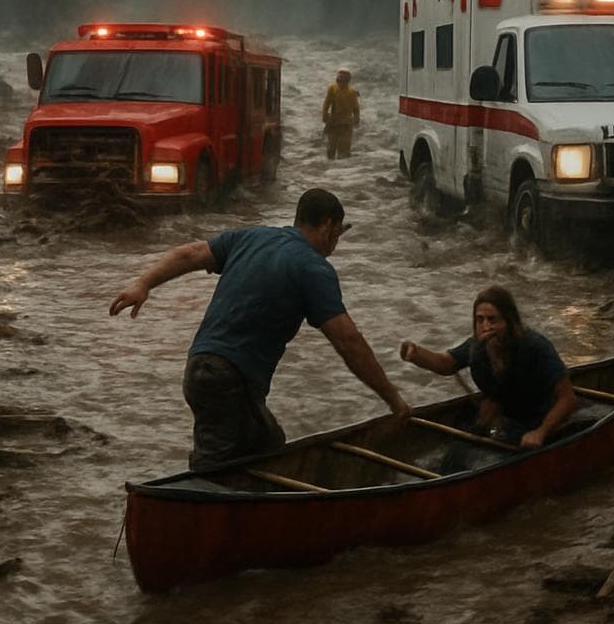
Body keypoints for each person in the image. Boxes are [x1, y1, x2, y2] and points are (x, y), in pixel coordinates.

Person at [110, 188, 411, 469]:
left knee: (269, 446)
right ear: (329, 227)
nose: (335, 244)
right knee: (212, 473)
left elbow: (189, 253)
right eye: (338, 235)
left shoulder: (252, 237)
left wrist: (143, 284)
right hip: (230, 379)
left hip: (199, 367)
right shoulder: (313, 268)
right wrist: (393, 399)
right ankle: (186, 516)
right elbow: (349, 342)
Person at [396, 286, 575, 449]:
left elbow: (567, 399)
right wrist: (416, 354)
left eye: (492, 320)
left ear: (509, 322)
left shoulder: (535, 347)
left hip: (542, 418)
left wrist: (541, 432)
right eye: (480, 320)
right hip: (508, 419)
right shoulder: (477, 346)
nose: (486, 327)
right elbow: (447, 364)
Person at [322, 67, 361, 160]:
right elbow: (326, 103)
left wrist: (356, 118)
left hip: (346, 124)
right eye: (338, 80)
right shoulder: (332, 88)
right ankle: (330, 169)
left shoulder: (351, 92)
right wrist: (325, 115)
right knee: (330, 149)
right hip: (333, 122)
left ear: (348, 81)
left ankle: (343, 171)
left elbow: (356, 108)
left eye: (342, 81)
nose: (340, 83)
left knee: (344, 151)